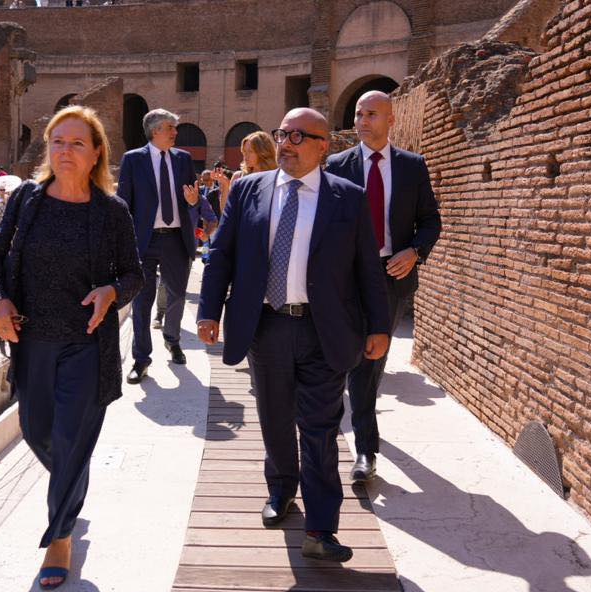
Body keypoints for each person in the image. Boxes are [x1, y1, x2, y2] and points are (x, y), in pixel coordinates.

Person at [197, 108, 390, 562]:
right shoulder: (249, 190)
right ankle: (281, 488)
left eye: (298, 136)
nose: (286, 143)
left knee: (320, 428)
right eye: (282, 134)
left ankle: (321, 528)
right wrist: (209, 310)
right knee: (274, 417)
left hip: (325, 331)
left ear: (324, 146)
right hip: (266, 325)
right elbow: (221, 254)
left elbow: (368, 268)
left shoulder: (348, 197)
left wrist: (379, 325)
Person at [0, 105, 143, 590]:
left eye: (76, 143)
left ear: (96, 154)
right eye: (57, 141)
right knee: (37, 432)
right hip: (33, 341)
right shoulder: (27, 200)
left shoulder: (111, 211)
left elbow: (133, 274)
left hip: (87, 345)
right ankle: (73, 480)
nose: (64, 151)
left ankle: (60, 537)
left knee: (71, 439)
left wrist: (112, 292)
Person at [324, 90, 442, 482]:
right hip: (346, 276)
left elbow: (430, 220)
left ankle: (364, 452)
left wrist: (415, 251)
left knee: (370, 361)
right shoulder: (337, 166)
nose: (362, 120)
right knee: (342, 357)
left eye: (371, 114)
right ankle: (331, 433)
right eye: (358, 114)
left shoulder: (412, 166)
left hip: (391, 275)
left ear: (391, 120)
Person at [118, 108, 215, 382]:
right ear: (155, 130)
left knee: (177, 295)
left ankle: (172, 340)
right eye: (170, 127)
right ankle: (141, 359)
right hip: (144, 241)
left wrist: (194, 202)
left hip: (175, 238)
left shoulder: (183, 159)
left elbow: (192, 199)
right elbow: (123, 202)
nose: (175, 132)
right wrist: (122, 243)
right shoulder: (133, 159)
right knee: (142, 301)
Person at [216, 130, 278, 214]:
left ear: (263, 152)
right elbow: (226, 212)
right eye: (244, 151)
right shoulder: (238, 177)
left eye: (250, 151)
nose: (245, 156)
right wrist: (225, 185)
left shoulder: (277, 177)